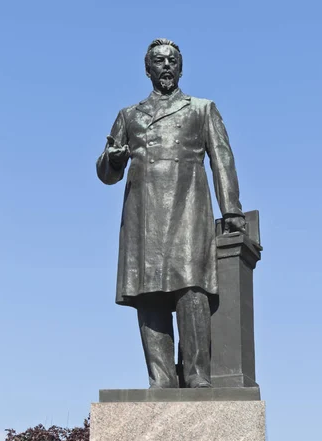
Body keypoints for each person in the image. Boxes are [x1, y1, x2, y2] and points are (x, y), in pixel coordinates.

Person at [97, 38, 245, 389]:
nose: (166, 66)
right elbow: (107, 173)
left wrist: (232, 209)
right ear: (147, 69)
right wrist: (113, 159)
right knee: (148, 290)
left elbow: (222, 160)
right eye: (159, 61)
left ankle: (197, 375)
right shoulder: (128, 116)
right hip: (142, 213)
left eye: (172, 60)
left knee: (191, 287)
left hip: (188, 208)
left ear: (181, 67)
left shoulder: (201, 109)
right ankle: (160, 378)